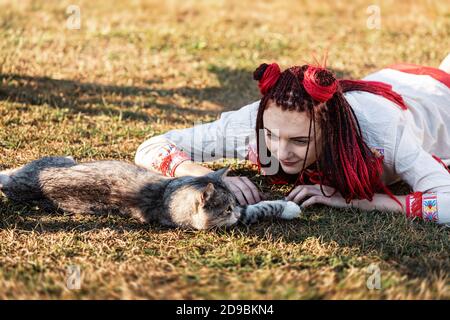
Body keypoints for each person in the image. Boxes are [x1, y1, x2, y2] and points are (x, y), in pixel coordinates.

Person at [134, 54, 450, 225]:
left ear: (330, 128)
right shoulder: (252, 122)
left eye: (299, 141)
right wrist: (207, 176)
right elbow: (152, 147)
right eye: (272, 136)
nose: (281, 152)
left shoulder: (382, 131)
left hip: (438, 100)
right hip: (392, 80)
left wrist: (355, 200)